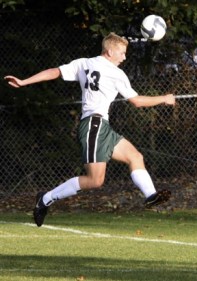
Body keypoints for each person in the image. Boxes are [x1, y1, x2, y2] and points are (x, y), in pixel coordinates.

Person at [4, 32, 175, 227]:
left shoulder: (84, 63)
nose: (124, 57)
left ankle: (151, 196)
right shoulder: (116, 73)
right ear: (110, 51)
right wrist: (164, 98)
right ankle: (45, 199)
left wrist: (25, 81)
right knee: (95, 180)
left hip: (101, 126)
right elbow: (136, 101)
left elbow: (54, 71)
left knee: (135, 157)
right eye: (122, 52)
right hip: (94, 126)